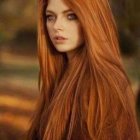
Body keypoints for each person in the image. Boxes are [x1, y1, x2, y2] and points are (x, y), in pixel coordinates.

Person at [27, 0, 139, 139]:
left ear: (91, 18)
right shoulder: (59, 75)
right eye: (50, 16)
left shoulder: (102, 82)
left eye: (71, 16)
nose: (57, 26)